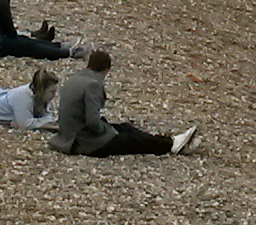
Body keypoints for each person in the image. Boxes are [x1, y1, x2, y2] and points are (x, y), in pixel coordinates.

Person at [50, 50, 196, 157]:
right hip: (85, 143)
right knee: (131, 140)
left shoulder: (74, 79)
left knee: (125, 128)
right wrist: (107, 132)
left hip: (68, 137)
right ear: (106, 70)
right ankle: (172, 144)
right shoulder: (92, 85)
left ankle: (171, 143)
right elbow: (93, 123)